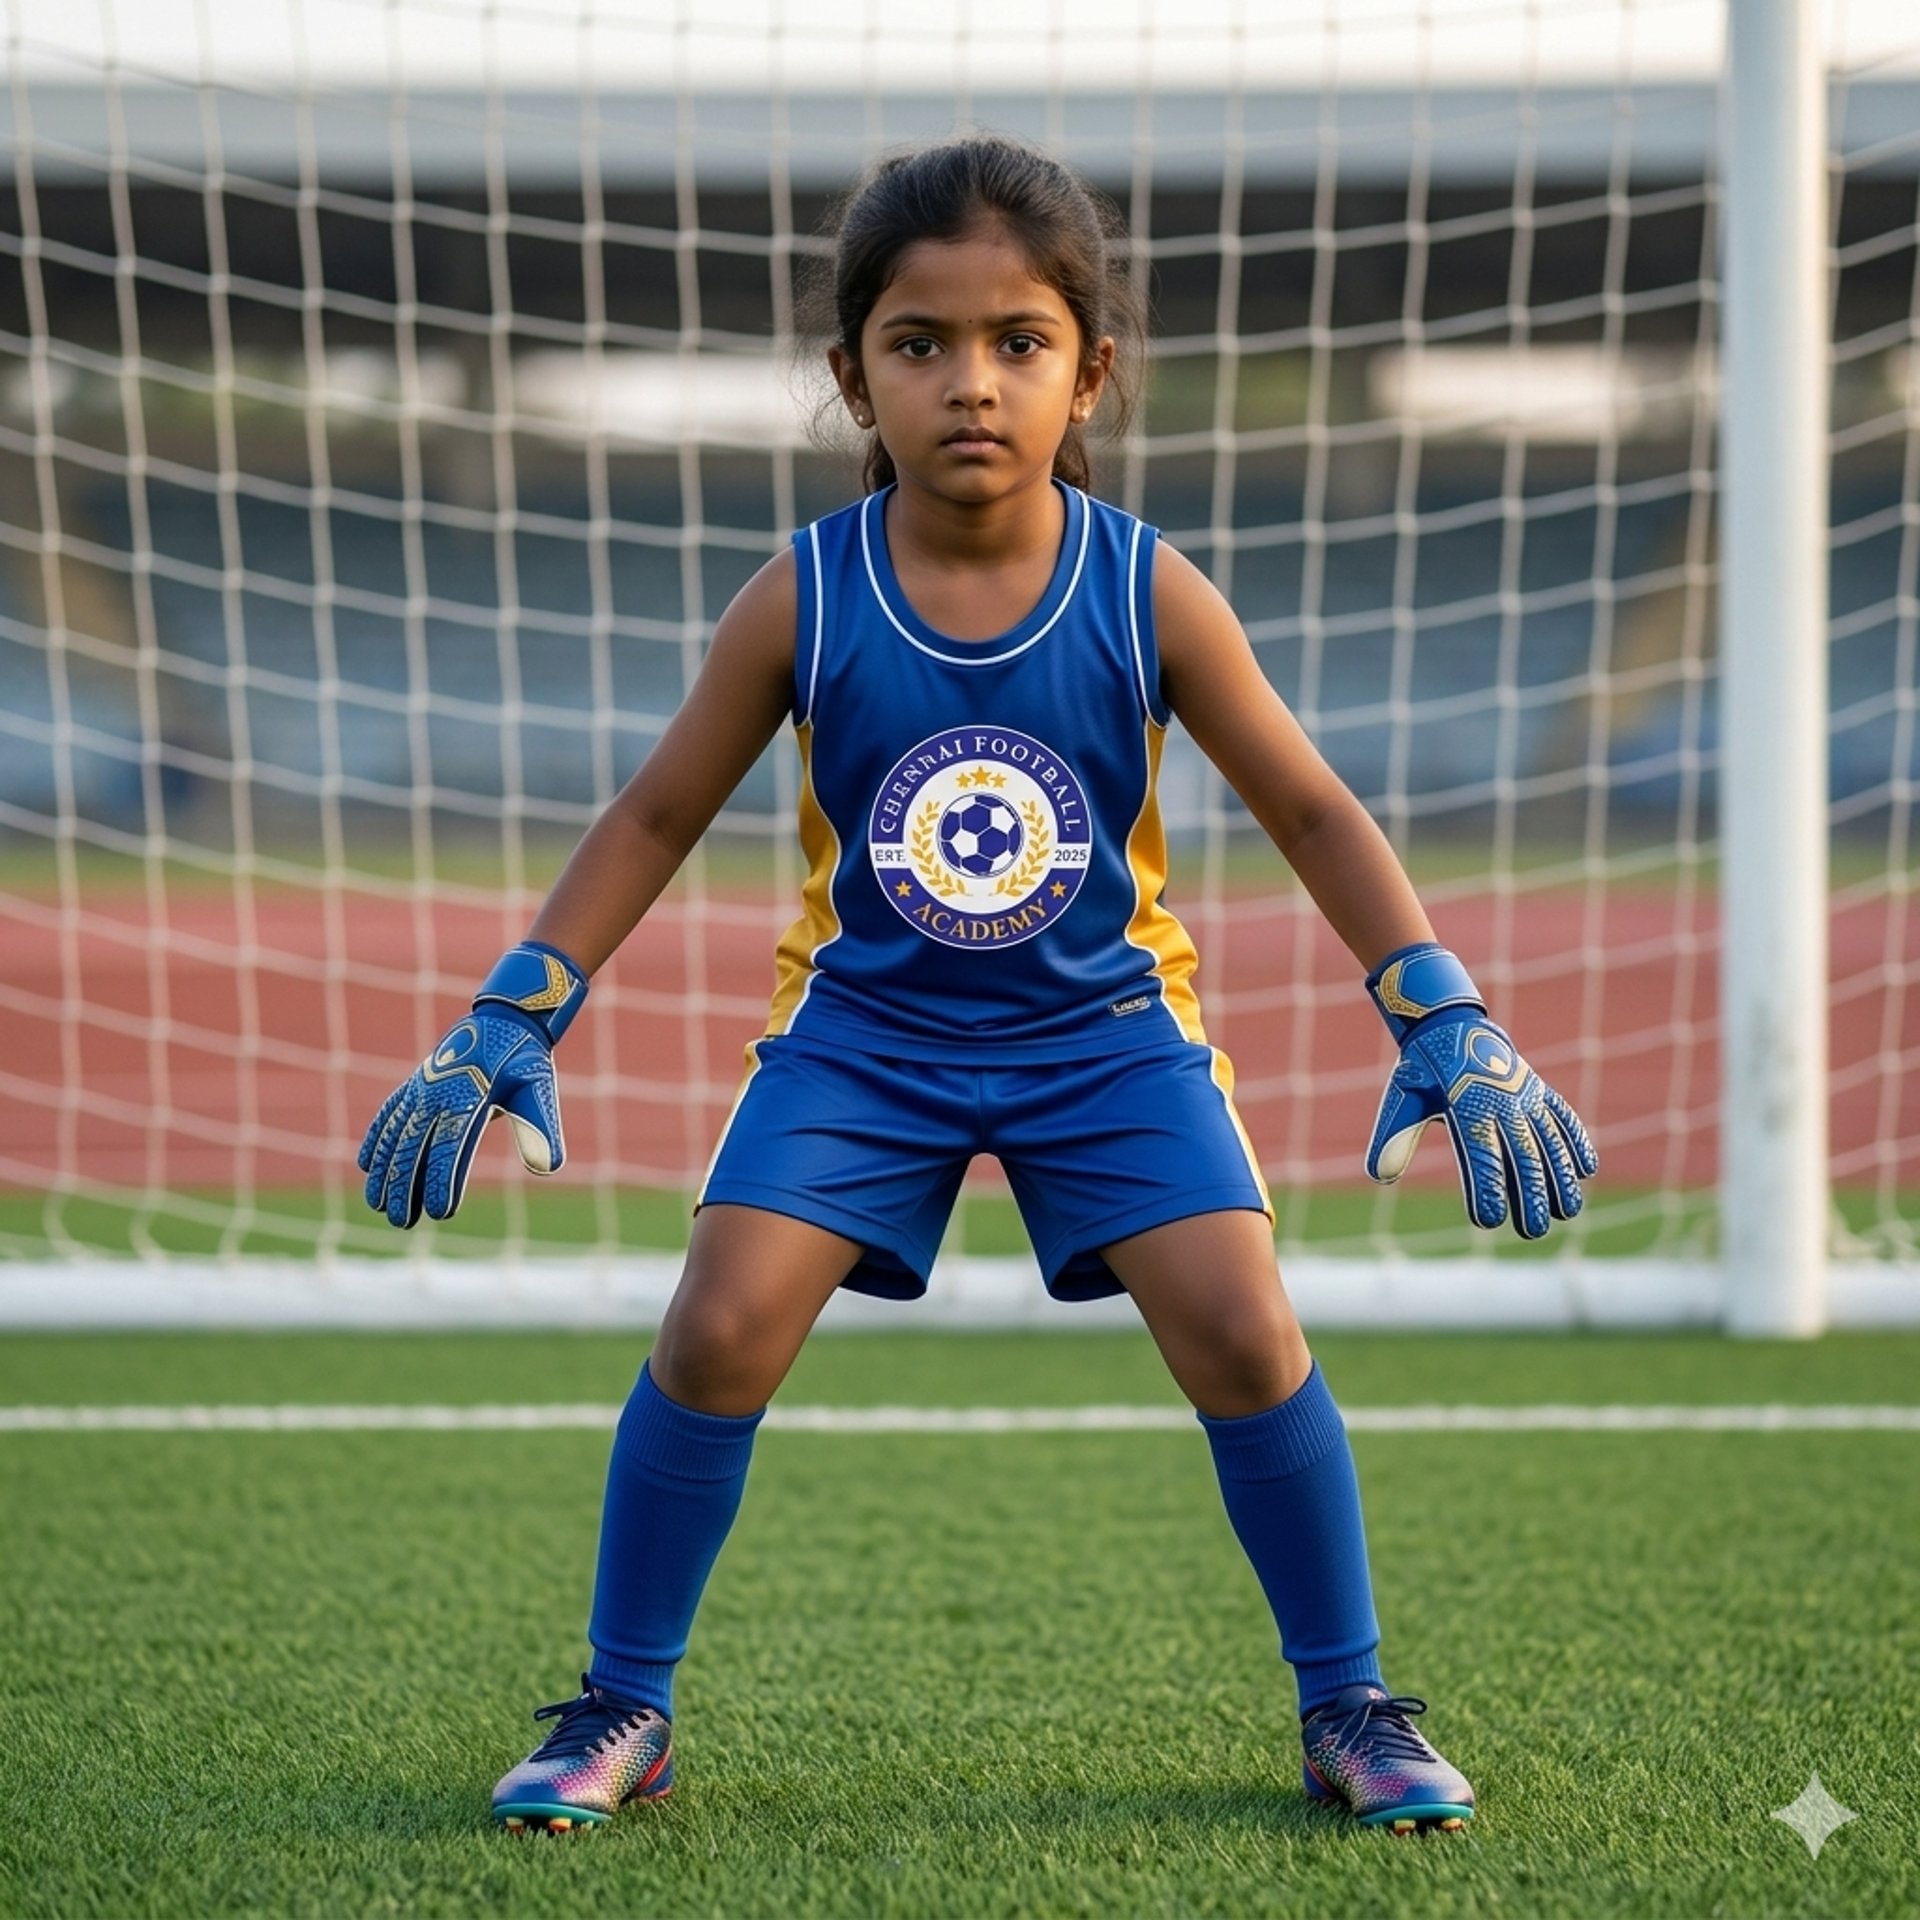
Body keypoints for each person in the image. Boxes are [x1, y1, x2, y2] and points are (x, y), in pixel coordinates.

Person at [358, 134, 1595, 1838]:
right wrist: (518, 1002)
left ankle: (1352, 1704)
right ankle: (619, 1706)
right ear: (851, 371)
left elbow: (1310, 801)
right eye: (919, 343)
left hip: (1104, 1040)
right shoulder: (801, 591)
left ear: (1092, 369)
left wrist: (1439, 1006)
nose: (970, 383)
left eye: (1019, 342)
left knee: (1245, 1332)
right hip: (861, 1043)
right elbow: (654, 810)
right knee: (716, 1329)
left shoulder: (1147, 583)